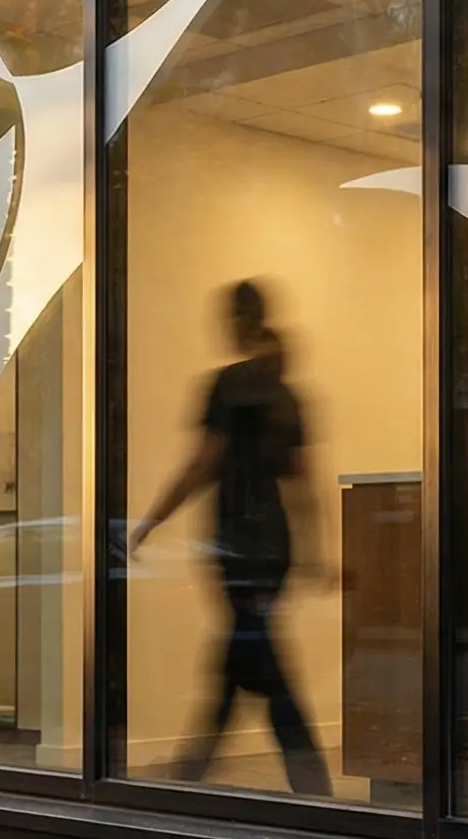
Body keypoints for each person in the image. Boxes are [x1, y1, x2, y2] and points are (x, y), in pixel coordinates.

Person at [126, 279, 332, 797]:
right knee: (242, 656)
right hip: (275, 545)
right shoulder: (288, 394)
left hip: (237, 542)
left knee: (257, 662)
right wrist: (313, 551)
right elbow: (303, 483)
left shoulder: (229, 386)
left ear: (239, 321)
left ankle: (305, 787)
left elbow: (203, 464)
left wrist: (150, 521)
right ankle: (193, 774)